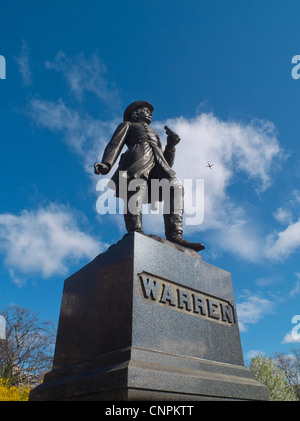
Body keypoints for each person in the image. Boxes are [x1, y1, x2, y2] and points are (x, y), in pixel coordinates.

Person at [94, 100, 204, 252]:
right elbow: (115, 144)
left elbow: (167, 163)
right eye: (146, 110)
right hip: (136, 161)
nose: (150, 113)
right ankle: (135, 230)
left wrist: (171, 145)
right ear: (135, 114)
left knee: (175, 187)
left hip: (158, 166)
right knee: (135, 189)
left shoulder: (156, 133)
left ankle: (175, 235)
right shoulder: (128, 125)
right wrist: (106, 164)